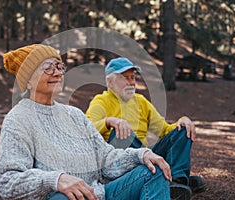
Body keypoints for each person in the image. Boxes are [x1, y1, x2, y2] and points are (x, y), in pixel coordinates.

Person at [0, 44, 173, 200]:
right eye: (47, 68)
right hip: (61, 198)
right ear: (28, 81)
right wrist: (56, 180)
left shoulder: (75, 115)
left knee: (154, 171)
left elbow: (106, 158)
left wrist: (140, 155)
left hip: (100, 194)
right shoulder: (18, 120)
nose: (57, 73)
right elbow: (7, 180)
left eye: (59, 66)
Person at [85, 57, 206, 199]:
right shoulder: (101, 101)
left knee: (183, 130)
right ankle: (161, 181)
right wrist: (109, 121)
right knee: (121, 133)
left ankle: (177, 181)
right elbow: (87, 130)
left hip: (146, 154)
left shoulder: (141, 101)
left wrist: (182, 121)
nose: (131, 82)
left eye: (133, 77)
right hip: (120, 162)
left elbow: (164, 130)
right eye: (125, 78)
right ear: (110, 82)